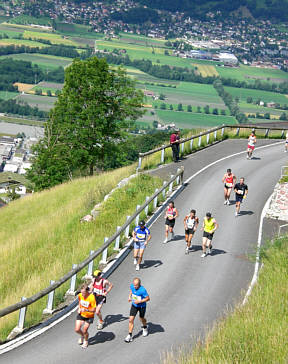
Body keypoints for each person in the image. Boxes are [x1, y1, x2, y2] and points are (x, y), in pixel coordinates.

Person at [124, 278, 150, 343]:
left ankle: (145, 327)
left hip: (142, 306)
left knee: (141, 318)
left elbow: (148, 298)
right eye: (134, 285)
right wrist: (129, 297)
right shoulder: (132, 286)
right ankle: (129, 335)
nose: (135, 286)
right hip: (134, 306)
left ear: (139, 284)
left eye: (136, 285)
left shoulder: (143, 290)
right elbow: (131, 291)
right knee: (131, 319)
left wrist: (140, 301)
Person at [75, 284, 96, 349]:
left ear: (87, 292)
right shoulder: (80, 295)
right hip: (81, 314)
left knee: (84, 330)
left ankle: (86, 341)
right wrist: (79, 308)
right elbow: (80, 302)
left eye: (84, 293)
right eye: (81, 293)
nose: (82, 294)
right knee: (77, 329)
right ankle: (82, 336)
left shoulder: (91, 297)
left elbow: (94, 309)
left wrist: (86, 309)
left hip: (89, 316)